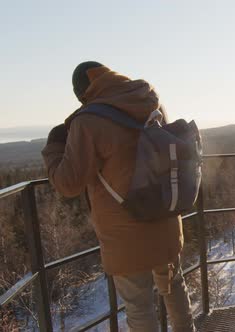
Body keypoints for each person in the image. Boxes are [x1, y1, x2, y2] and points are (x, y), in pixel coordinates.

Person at [42, 62, 195, 332]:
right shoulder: (150, 99)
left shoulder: (88, 121)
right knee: (174, 286)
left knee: (139, 306)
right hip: (165, 216)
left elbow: (68, 183)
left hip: (125, 233)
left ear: (82, 93)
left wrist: (55, 147)